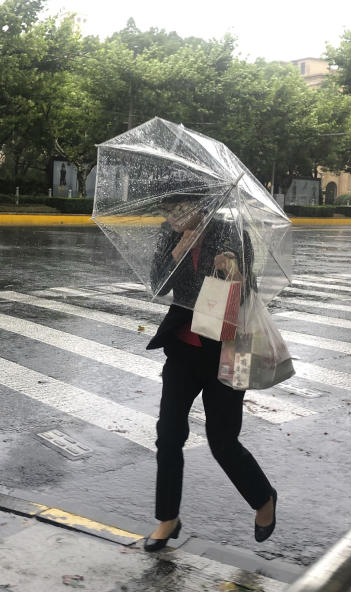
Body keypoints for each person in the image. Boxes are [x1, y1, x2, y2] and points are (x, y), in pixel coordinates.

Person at [143, 193, 277, 552]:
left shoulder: (230, 232)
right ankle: (167, 518)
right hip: (183, 350)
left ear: (199, 207)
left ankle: (264, 499)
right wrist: (175, 255)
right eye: (167, 211)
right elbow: (157, 285)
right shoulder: (170, 235)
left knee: (222, 441)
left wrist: (232, 269)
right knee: (168, 436)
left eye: (177, 210)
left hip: (231, 348)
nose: (171, 218)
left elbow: (249, 288)